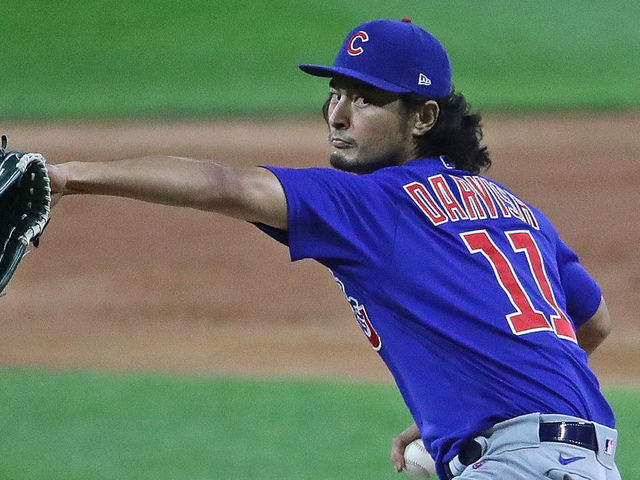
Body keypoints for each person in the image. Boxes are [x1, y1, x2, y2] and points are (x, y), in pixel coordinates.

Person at [44, 18, 621, 479]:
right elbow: (591, 323)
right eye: (336, 93)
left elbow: (225, 185)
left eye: (365, 100)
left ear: (422, 117)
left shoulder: (375, 204)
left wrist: (68, 176)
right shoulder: (514, 210)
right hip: (586, 460)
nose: (337, 116)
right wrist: (472, 408)